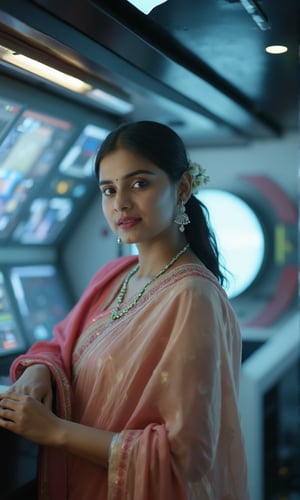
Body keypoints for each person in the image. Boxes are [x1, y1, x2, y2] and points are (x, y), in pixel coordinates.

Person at [0, 121, 249, 500]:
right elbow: (59, 344)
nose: (121, 203)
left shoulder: (193, 297)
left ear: (182, 188)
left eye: (139, 184)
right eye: (109, 189)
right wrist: (39, 371)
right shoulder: (116, 274)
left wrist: (54, 432)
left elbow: (185, 457)